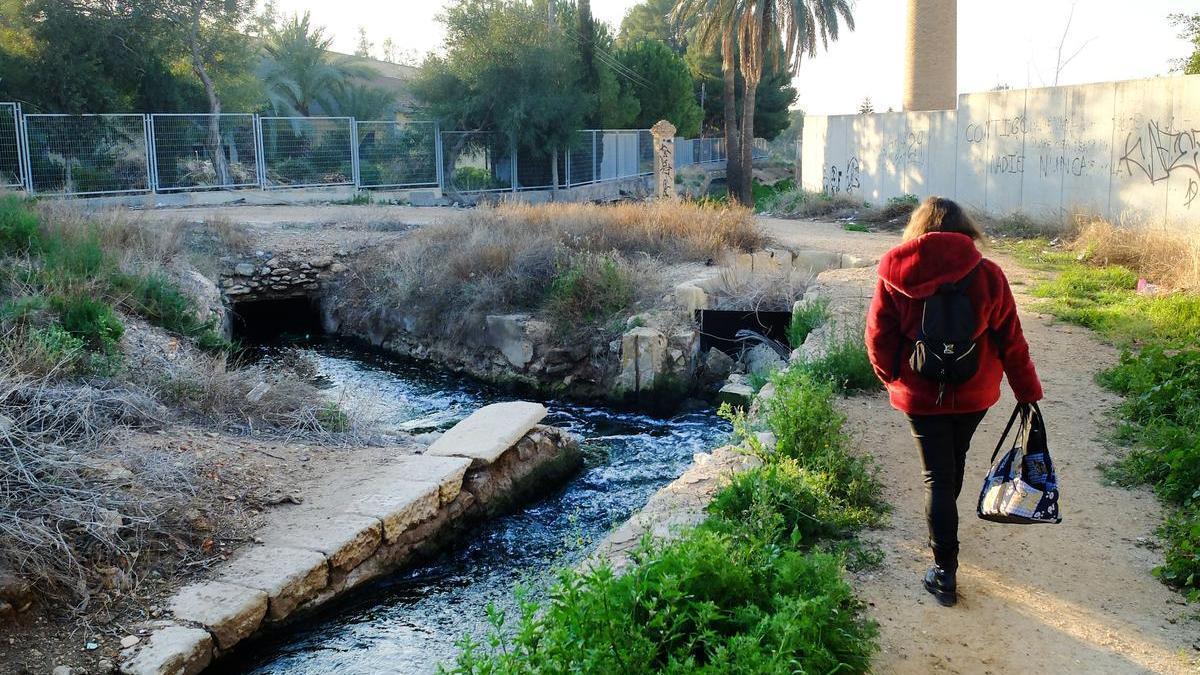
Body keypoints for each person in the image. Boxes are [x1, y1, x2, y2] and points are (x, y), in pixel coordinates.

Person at [865, 196, 1043, 607]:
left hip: (919, 394)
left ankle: (944, 570)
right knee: (953, 463)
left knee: (936, 477)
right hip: (974, 394)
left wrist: (891, 376)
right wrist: (1027, 392)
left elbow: (878, 335)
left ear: (918, 227)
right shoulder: (989, 276)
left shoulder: (896, 271)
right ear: (966, 229)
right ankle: (947, 527)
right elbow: (1012, 340)